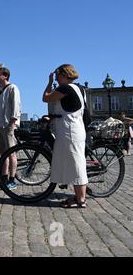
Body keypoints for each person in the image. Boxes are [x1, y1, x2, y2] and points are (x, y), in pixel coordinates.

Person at [42, 64, 88, 208]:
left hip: (70, 131)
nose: (55, 77)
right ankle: (78, 196)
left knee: (76, 164)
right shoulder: (79, 88)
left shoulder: (64, 88)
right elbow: (70, 109)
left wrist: (49, 83)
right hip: (76, 128)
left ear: (63, 74)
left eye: (57, 74)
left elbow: (45, 98)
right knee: (73, 162)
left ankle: (81, 200)